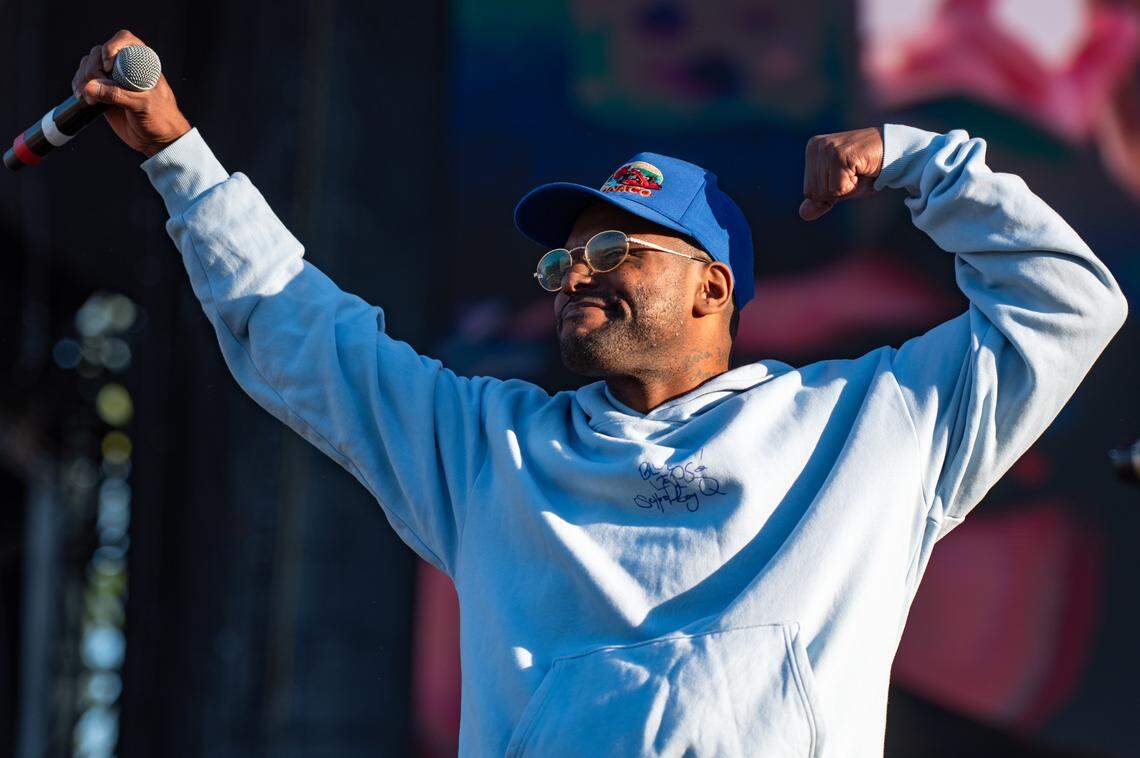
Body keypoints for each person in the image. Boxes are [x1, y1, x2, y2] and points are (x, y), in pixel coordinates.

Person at [75, 29, 1128, 758]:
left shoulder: (866, 429)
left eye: (616, 246)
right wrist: (179, 159)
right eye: (562, 262)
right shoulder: (491, 451)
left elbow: (1068, 304)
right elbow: (304, 339)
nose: (576, 272)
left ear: (716, 287)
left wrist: (921, 162)